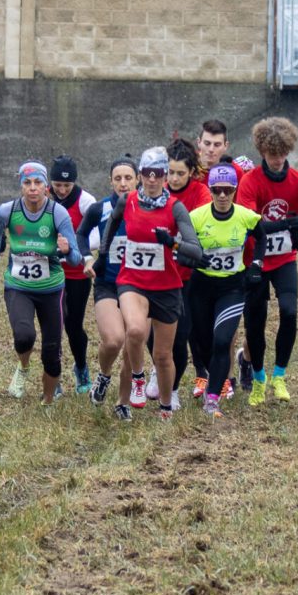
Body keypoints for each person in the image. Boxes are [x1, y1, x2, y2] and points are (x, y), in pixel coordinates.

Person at [98, 147, 202, 421]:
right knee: (134, 330)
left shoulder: (175, 207)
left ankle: (166, 406)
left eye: (158, 174)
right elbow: (112, 223)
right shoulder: (129, 201)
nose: (152, 179)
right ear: (141, 174)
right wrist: (102, 255)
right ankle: (138, 379)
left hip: (166, 286)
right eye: (147, 173)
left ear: (165, 176)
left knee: (163, 355)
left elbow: (196, 250)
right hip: (132, 281)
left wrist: (172, 242)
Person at [236, 117, 298, 405]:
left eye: (282, 154)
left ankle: (280, 375)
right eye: (272, 155)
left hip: (284, 259)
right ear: (262, 151)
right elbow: (251, 225)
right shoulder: (250, 182)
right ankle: (259, 377)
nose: (277, 160)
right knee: (255, 323)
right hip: (255, 260)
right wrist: (288, 224)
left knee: (290, 312)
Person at [0, 161, 82, 404]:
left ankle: (48, 399)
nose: (32, 188)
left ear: (46, 187)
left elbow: (75, 258)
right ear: (21, 186)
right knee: (24, 336)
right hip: (18, 286)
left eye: (38, 182)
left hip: (52, 289)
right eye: (27, 183)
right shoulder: (7, 211)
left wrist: (67, 248)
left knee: (52, 351)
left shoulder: (57, 213)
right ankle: (24, 366)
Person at [189, 164, 265, 417]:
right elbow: (182, 246)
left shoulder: (245, 215)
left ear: (235, 190)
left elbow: (261, 236)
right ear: (209, 190)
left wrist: (256, 263)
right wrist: (193, 257)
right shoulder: (197, 217)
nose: (222, 195)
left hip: (232, 287)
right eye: (217, 190)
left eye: (228, 190)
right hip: (200, 287)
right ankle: (210, 377)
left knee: (223, 341)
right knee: (203, 344)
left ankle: (212, 398)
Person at [144, 138, 210, 408]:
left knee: (180, 336)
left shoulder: (201, 195)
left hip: (187, 278)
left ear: (192, 172)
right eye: (169, 172)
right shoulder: (153, 189)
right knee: (150, 335)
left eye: (180, 173)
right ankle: (158, 369)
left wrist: (176, 244)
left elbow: (199, 241)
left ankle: (171, 389)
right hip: (155, 274)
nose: (173, 178)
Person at [77, 155, 139, 406]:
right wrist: (86, 259)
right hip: (107, 283)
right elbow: (81, 234)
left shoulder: (147, 208)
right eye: (118, 179)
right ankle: (103, 376)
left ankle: (123, 403)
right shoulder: (99, 208)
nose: (123, 183)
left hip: (138, 286)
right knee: (113, 340)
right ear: (110, 181)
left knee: (130, 349)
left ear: (138, 180)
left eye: (128, 178)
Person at [49, 155, 97, 394]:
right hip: (50, 271)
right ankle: (53, 376)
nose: (61, 190)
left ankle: (81, 367)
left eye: (67, 186)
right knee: (53, 325)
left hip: (77, 273)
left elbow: (97, 234)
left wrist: (74, 248)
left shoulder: (86, 201)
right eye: (57, 185)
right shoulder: (43, 195)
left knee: (73, 325)